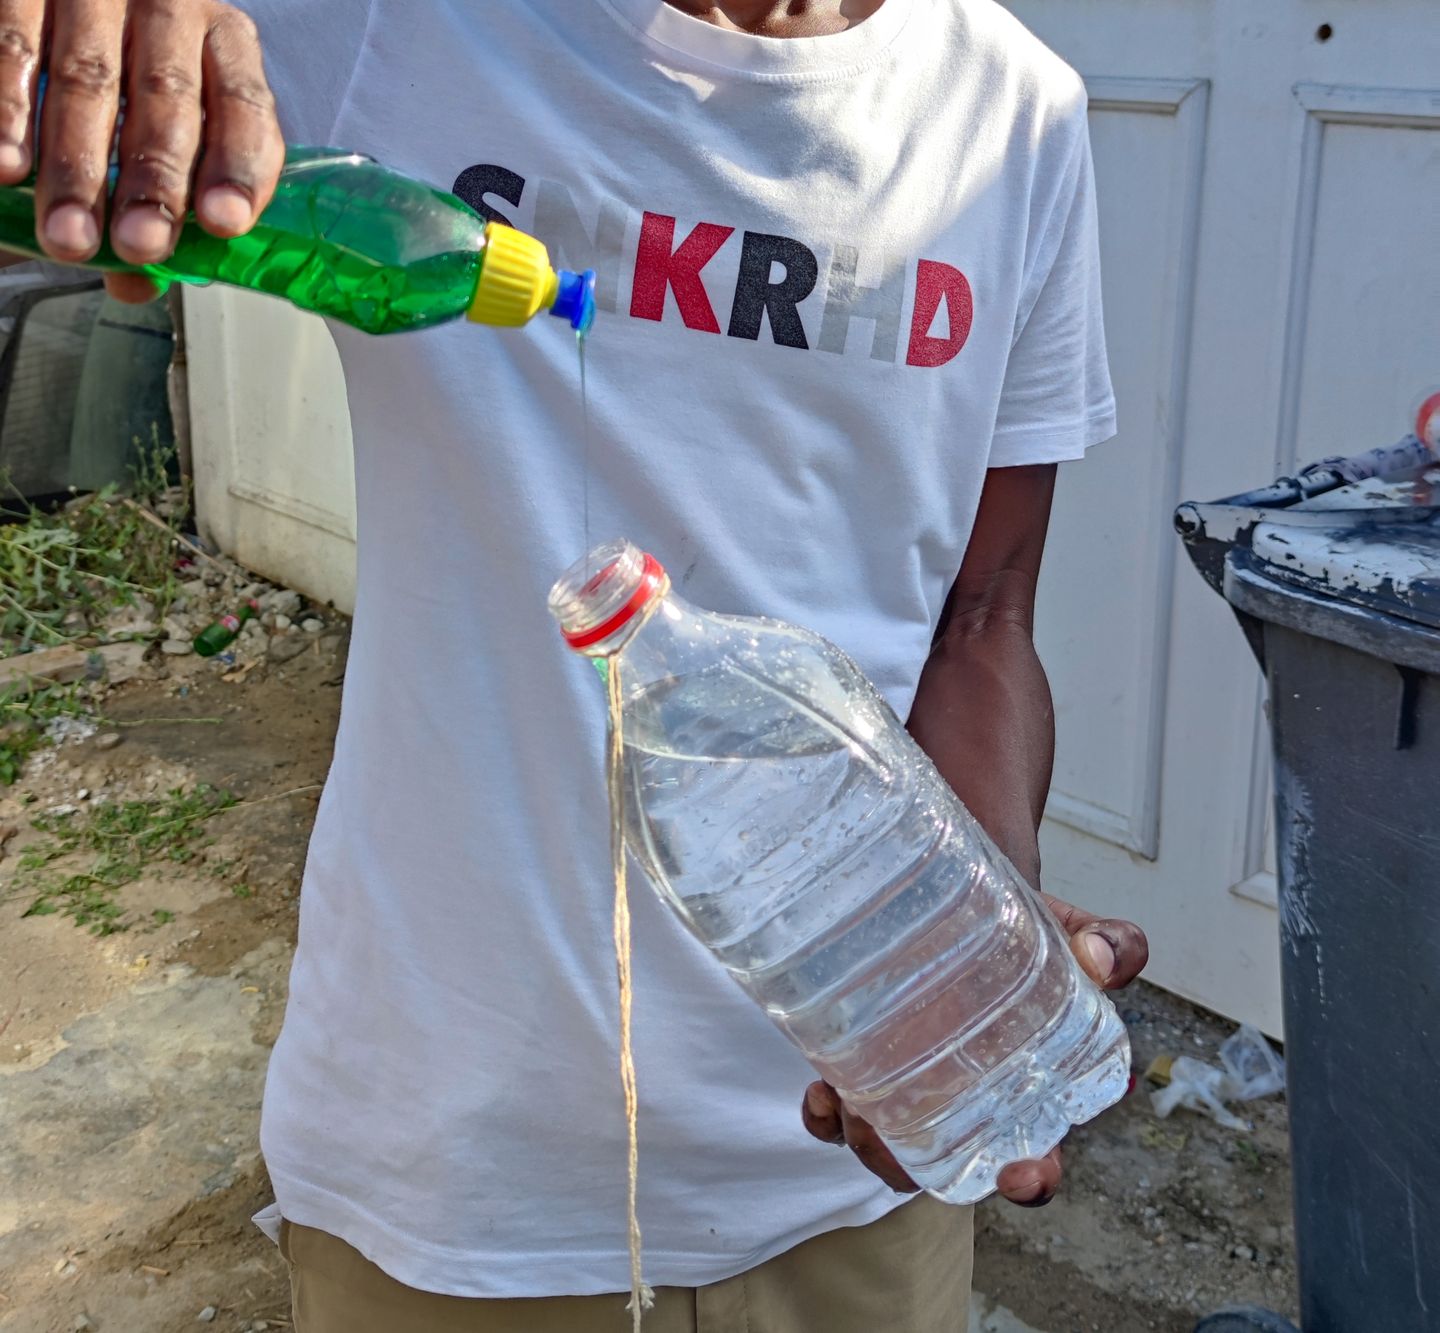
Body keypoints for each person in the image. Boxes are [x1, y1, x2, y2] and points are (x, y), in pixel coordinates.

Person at [0, 1, 1150, 1328]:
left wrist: (976, 958)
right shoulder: (390, 28)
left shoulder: (1014, 117)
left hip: (858, 1184)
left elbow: (984, 614)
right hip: (456, 1171)